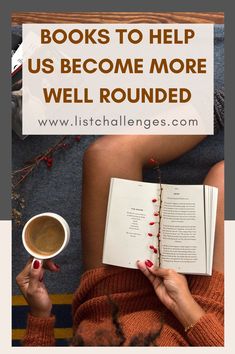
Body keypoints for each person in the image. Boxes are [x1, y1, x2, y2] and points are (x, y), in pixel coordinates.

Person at [16, 131, 224, 346]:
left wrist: (39, 314)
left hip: (110, 307)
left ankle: (213, 108)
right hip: (197, 324)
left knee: (107, 155)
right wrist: (186, 309)